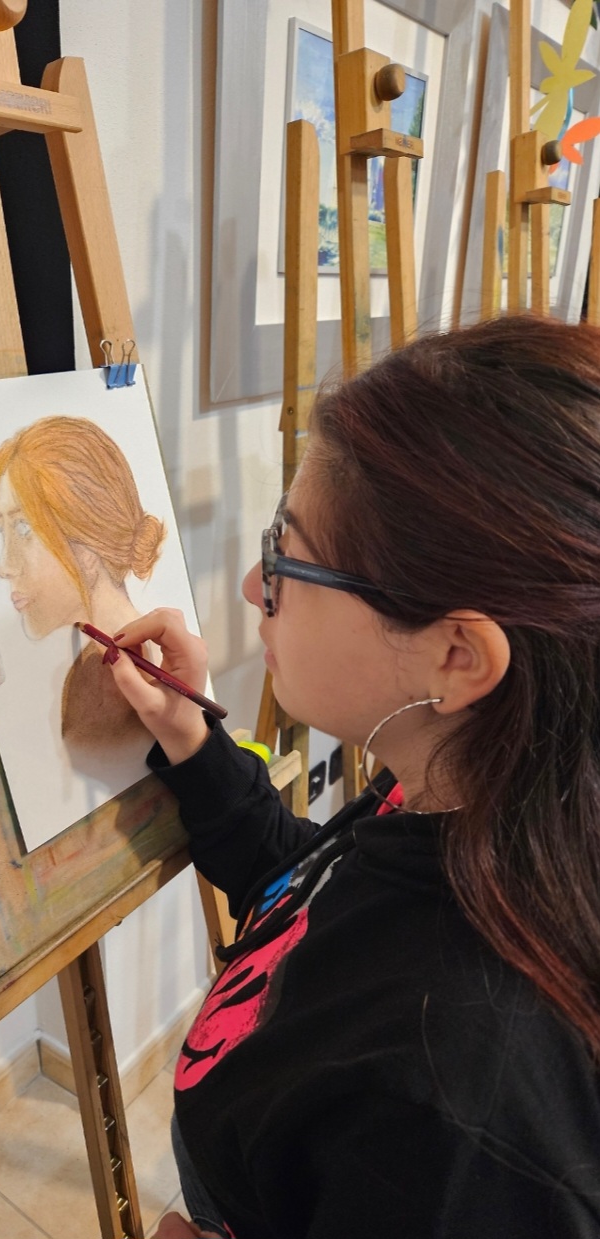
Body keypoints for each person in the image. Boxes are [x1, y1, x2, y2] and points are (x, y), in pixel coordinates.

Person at [103, 314, 600, 1238]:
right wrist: (190, 738)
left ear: (455, 656)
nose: (252, 589)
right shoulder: (469, 796)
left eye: (284, 557)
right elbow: (315, 894)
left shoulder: (458, 1115)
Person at [0, 414, 166, 753]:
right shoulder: (101, 665)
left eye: (23, 528)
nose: (4, 566)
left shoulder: (110, 682)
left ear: (88, 549)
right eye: (1, 531)